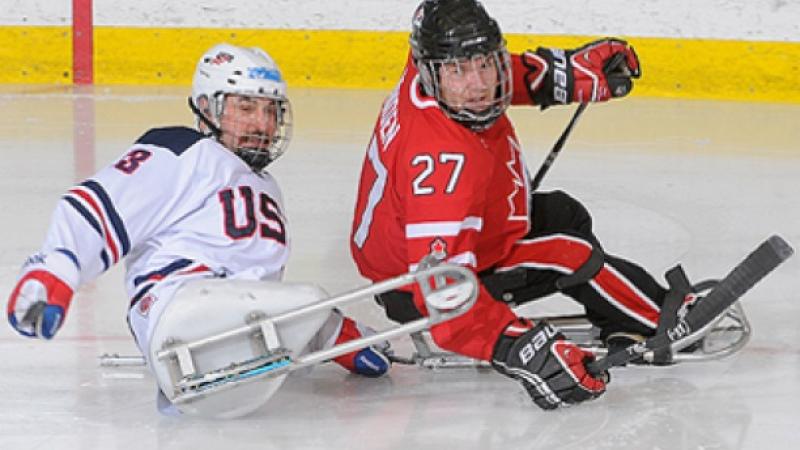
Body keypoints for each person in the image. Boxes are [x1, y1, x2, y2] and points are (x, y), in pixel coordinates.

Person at [6, 43, 390, 412]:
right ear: (207, 107)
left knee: (307, 300)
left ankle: (313, 334)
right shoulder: (184, 151)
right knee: (307, 297)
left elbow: (261, 290)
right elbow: (103, 204)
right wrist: (54, 270)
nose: (262, 123)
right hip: (178, 304)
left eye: (271, 110)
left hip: (237, 325)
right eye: (246, 106)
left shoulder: (267, 188)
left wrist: (331, 334)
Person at [349, 0, 681, 410]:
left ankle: (618, 317)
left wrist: (571, 74)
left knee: (564, 214)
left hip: (413, 243)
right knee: (567, 253)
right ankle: (664, 318)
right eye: (460, 71)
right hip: (414, 283)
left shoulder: (433, 70)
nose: (478, 84)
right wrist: (519, 348)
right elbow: (444, 301)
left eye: (485, 63)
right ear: (433, 71)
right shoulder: (442, 167)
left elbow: (488, 71)